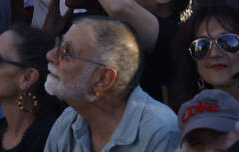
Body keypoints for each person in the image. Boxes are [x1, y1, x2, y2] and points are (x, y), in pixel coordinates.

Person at [42, 15, 181, 152]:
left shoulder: (160, 133)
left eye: (67, 52)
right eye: (59, 44)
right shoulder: (67, 122)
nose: (50, 55)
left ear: (103, 79)